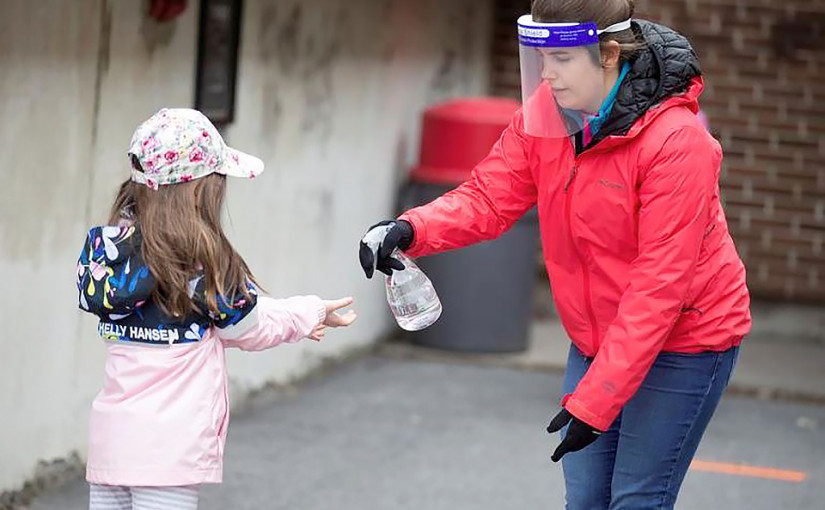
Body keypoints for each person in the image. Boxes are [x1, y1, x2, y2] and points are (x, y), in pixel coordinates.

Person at [359, 1, 751, 508]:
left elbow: (659, 285)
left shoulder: (677, 143)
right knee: (586, 498)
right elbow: (488, 197)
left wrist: (596, 400)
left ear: (609, 53)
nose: (546, 73)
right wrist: (411, 228)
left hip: (686, 341)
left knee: (637, 499)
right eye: (540, 57)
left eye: (562, 58)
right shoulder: (546, 114)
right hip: (595, 336)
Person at [77, 108, 357, 510]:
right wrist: (308, 312)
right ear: (196, 190)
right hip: (166, 453)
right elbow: (248, 328)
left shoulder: (108, 254)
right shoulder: (199, 262)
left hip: (110, 442)